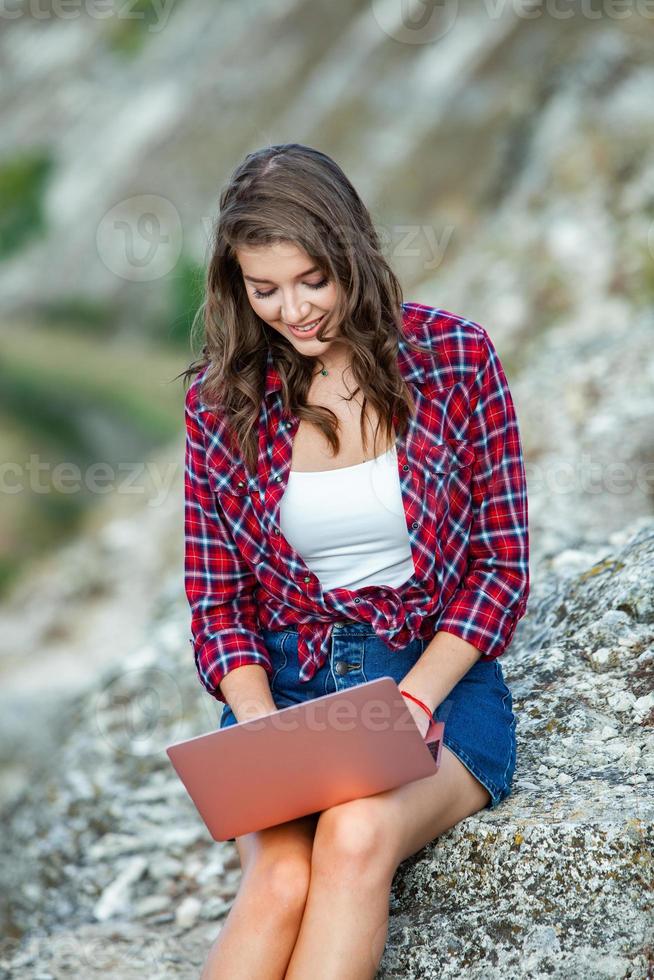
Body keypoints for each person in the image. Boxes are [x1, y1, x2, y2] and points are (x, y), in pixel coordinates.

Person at [179, 143, 529, 980]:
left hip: (432, 682)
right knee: (279, 880)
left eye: (312, 281)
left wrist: (414, 699)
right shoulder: (218, 401)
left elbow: (502, 568)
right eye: (264, 290)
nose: (293, 311)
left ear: (352, 254)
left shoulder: (456, 359)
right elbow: (217, 604)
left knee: (355, 834)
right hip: (286, 697)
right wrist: (258, 725)